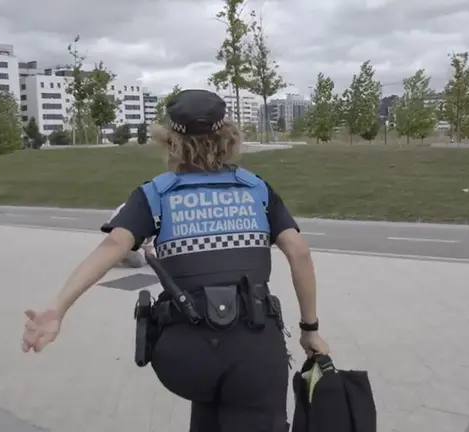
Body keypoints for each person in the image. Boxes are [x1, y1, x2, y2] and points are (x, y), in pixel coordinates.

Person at [22, 89, 329, 432]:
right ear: (229, 138)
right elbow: (299, 252)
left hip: (186, 355)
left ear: (170, 141)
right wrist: (310, 330)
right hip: (254, 348)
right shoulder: (256, 189)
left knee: (209, 409)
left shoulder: (156, 193)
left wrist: (58, 308)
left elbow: (114, 244)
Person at [101, 202, 153, 268]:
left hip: (127, 239)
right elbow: (123, 235)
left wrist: (148, 245)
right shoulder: (129, 212)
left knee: (154, 256)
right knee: (137, 262)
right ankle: (113, 257)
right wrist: (143, 246)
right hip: (117, 240)